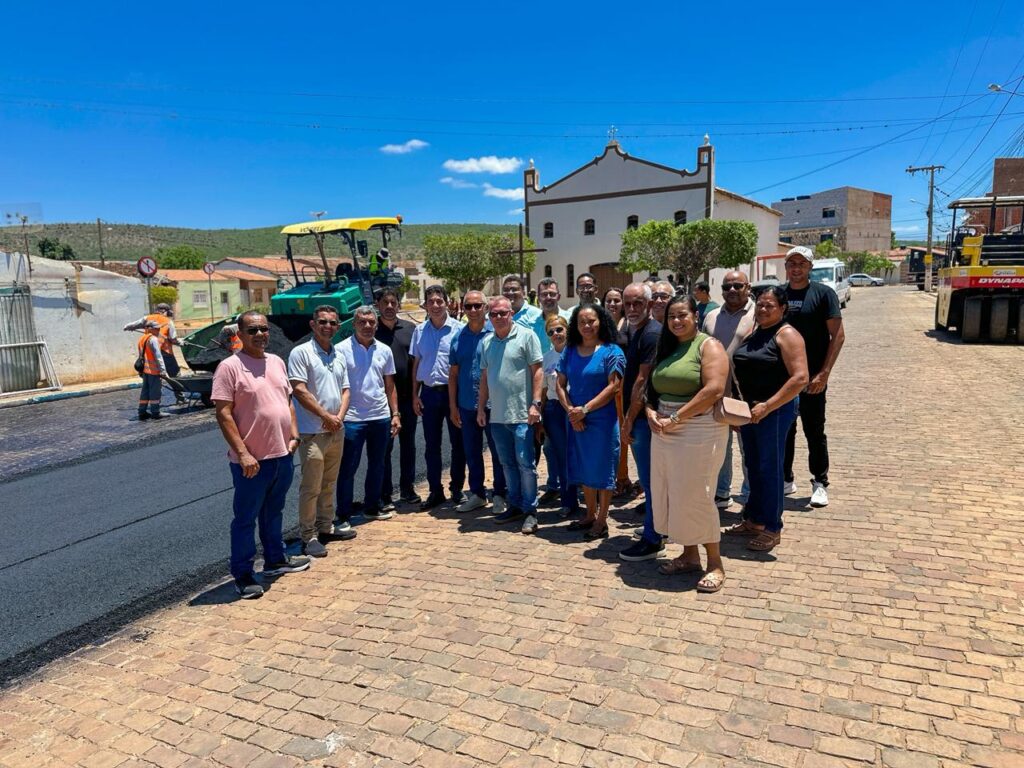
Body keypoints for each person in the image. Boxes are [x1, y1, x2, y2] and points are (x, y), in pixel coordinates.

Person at [211, 311, 310, 599]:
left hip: (282, 455)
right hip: (251, 462)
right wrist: (243, 453)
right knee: (245, 519)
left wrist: (294, 436)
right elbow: (223, 413)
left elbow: (287, 401)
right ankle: (243, 574)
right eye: (252, 330)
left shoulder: (277, 362)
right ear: (240, 334)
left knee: (273, 512)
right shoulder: (229, 368)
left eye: (263, 329)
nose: (259, 335)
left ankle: (275, 560)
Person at [644, 296, 730, 591]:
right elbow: (652, 387)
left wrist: (676, 418)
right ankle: (690, 555)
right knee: (674, 494)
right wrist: (650, 411)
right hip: (664, 429)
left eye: (682, 315)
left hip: (699, 429)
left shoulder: (709, 346)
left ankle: (715, 563)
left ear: (696, 315)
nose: (677, 321)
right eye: (672, 316)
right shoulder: (668, 347)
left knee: (697, 495)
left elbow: (714, 389)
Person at [725, 285, 808, 553]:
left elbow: (800, 378)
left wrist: (768, 406)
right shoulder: (756, 331)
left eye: (769, 305)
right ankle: (755, 519)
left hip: (775, 412)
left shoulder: (788, 335)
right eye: (760, 304)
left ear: (782, 308)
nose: (762, 309)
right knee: (754, 466)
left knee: (770, 468)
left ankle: (772, 527)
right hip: (750, 412)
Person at [287, 305, 355, 558]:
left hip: (336, 430)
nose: (328, 326)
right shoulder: (301, 353)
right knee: (311, 486)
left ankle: (326, 526)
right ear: (313, 325)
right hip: (312, 432)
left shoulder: (338, 355)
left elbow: (346, 390)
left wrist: (338, 418)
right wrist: (325, 416)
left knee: (328, 483)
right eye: (323, 322)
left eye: (333, 323)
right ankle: (308, 535)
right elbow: (299, 389)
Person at [781, 246, 845, 507]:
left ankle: (820, 482)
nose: (796, 268)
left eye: (802, 263)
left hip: (812, 379)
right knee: (785, 430)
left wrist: (824, 374)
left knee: (814, 431)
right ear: (786, 267)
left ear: (810, 267)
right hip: (783, 379)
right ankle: (785, 479)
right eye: (792, 263)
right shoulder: (779, 294)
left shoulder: (823, 294)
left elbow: (837, 336)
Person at [556, 305, 625, 540]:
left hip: (601, 421)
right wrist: (571, 412)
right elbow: (560, 384)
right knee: (584, 466)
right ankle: (589, 514)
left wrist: (585, 410)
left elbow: (614, 386)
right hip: (576, 419)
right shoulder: (570, 350)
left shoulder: (612, 351)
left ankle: (602, 520)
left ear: (601, 321)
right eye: (581, 322)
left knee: (603, 470)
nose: (587, 326)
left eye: (591, 321)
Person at [477, 296, 544, 534]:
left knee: (526, 465)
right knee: (507, 464)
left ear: (511, 314)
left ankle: (530, 510)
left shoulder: (527, 336)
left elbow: (538, 371)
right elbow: (485, 377)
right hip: (497, 416)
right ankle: (514, 505)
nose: (498, 317)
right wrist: (481, 408)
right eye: (494, 314)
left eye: (503, 313)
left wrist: (536, 404)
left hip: (522, 415)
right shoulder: (486, 342)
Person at [335, 306, 402, 525]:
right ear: (354, 324)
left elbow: (390, 385)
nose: (367, 326)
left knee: (377, 465)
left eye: (371, 322)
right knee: (348, 468)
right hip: (352, 419)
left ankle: (372, 507)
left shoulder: (384, 350)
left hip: (380, 417)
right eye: (362, 322)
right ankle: (343, 514)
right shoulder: (340, 350)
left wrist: (395, 413)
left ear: (376, 324)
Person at [617, 283, 666, 561]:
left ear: (649, 305)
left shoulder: (651, 333)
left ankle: (653, 538)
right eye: (628, 303)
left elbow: (641, 381)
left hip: (643, 418)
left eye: (638, 303)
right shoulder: (636, 331)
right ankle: (656, 527)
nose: (632, 308)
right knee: (650, 480)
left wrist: (628, 420)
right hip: (638, 417)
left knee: (650, 480)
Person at [449, 290, 507, 514]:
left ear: (485, 308)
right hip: (466, 405)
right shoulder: (458, 337)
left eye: (477, 306)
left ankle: (500, 494)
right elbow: (453, 375)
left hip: (494, 404)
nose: (473, 310)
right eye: (468, 306)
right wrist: (453, 406)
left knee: (498, 451)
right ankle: (477, 494)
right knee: (472, 452)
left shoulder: (496, 334)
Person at [703, 271, 756, 510]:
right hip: (716, 395)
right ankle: (721, 493)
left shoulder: (760, 313)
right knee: (720, 448)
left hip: (747, 396)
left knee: (749, 450)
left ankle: (749, 497)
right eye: (727, 287)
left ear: (748, 287)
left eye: (737, 286)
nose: (732, 290)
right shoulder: (711, 316)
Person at [411, 285, 466, 509]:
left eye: (439, 301)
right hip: (429, 395)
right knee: (431, 445)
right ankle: (435, 491)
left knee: (458, 444)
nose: (435, 305)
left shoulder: (459, 330)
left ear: (447, 303)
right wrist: (415, 395)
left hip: (454, 395)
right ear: (425, 305)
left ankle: (457, 489)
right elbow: (417, 364)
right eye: (431, 301)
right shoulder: (419, 331)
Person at [375, 288, 421, 506]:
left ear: (399, 305)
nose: (389, 306)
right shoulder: (371, 330)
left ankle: (407, 489)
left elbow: (417, 363)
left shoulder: (411, 329)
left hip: (408, 398)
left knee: (408, 446)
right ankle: (384, 493)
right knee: (384, 448)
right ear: (378, 305)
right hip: (381, 402)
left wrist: (415, 395)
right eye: (385, 302)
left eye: (393, 302)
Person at [540, 314, 578, 518]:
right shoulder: (546, 358)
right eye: (551, 332)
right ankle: (568, 501)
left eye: (559, 329)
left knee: (580, 453)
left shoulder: (578, 352)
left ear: (567, 330)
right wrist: (540, 416)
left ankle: (592, 498)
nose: (556, 334)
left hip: (576, 406)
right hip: (554, 410)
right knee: (562, 456)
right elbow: (544, 390)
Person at [601, 286, 633, 498]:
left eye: (617, 300)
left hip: (623, 386)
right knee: (606, 434)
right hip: (602, 386)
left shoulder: (629, 325)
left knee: (622, 433)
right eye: (609, 300)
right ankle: (607, 478)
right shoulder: (599, 325)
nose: (612, 304)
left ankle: (622, 478)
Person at [124, 303, 181, 378]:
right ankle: (175, 383)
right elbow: (173, 339)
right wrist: (180, 342)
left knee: (152, 371)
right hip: (165, 352)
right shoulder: (168, 322)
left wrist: (128, 327)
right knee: (175, 374)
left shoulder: (147, 318)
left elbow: (134, 324)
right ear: (165, 311)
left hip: (149, 350)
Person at [136, 320, 168, 420]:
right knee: (155, 391)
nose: (158, 330)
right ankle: (155, 412)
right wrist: (163, 370)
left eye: (159, 328)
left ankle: (142, 411)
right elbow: (158, 356)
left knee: (145, 391)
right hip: (153, 371)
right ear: (150, 329)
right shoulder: (153, 339)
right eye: (157, 328)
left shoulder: (142, 338)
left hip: (145, 370)